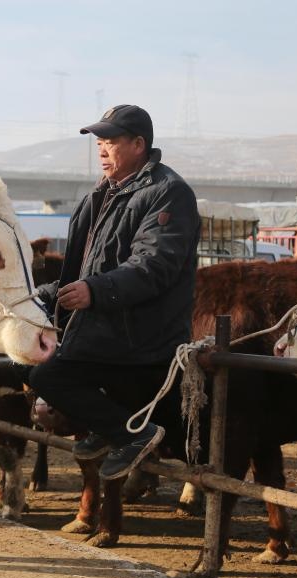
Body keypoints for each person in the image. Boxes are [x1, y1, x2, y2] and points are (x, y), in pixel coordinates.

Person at [28, 105, 200, 481]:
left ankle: (130, 434)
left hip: (140, 335)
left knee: (47, 376)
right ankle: (108, 429)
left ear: (138, 145)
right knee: (29, 359)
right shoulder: (102, 195)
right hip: (107, 327)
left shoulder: (168, 193)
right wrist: (41, 294)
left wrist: (95, 290)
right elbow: (84, 270)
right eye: (99, 143)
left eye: (110, 142)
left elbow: (154, 265)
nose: (102, 150)